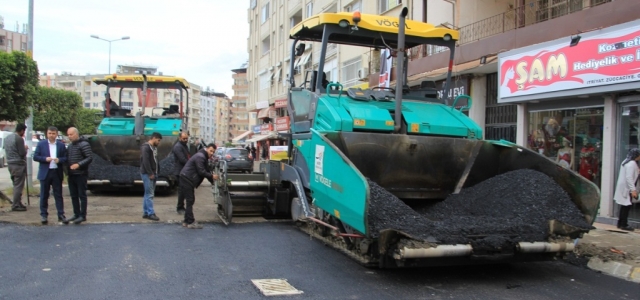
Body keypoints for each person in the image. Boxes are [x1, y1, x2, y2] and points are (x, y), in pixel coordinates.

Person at [33, 126, 68, 225]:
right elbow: (35, 156)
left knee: (58, 195)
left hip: (56, 172)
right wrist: (45, 159)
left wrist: (59, 160)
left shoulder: (61, 145)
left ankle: (61, 214)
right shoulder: (41, 144)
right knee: (44, 194)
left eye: (53, 134)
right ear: (46, 134)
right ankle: (44, 215)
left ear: (57, 134)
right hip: (45, 172)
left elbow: (65, 158)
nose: (51, 135)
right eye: (50, 133)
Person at [180, 143, 219, 229]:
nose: (212, 153)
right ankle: (190, 222)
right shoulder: (200, 157)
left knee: (190, 200)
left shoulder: (203, 156)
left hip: (186, 178)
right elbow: (202, 171)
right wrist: (212, 177)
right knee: (190, 200)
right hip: (187, 178)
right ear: (207, 149)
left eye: (213, 152)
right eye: (211, 151)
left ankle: (186, 221)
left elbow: (207, 170)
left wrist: (212, 181)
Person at [66, 127, 94, 224]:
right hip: (71, 174)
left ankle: (83, 215)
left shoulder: (84, 144)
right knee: (74, 195)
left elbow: (89, 158)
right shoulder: (70, 146)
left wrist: (79, 164)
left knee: (82, 195)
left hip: (81, 174)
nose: (69, 136)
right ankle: (76, 214)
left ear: (76, 134)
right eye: (68, 135)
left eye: (71, 134)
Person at [613, 148, 640, 231]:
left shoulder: (626, 161)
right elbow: (629, 178)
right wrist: (633, 190)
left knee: (624, 206)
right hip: (627, 188)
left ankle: (620, 223)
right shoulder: (631, 163)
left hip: (624, 187)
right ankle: (623, 224)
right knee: (626, 206)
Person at [5, 124, 28, 211]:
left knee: (15, 184)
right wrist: (25, 149)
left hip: (10, 164)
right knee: (18, 185)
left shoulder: (7, 138)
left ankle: (18, 202)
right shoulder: (19, 139)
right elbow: (22, 153)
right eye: (24, 131)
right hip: (18, 164)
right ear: (22, 130)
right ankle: (16, 205)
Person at [140, 132, 162, 221]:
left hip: (153, 173)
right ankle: (150, 213)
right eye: (158, 140)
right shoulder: (146, 147)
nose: (159, 142)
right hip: (147, 173)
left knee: (147, 194)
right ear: (154, 138)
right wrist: (150, 173)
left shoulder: (153, 148)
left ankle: (146, 212)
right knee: (150, 194)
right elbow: (145, 161)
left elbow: (155, 160)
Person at [172, 132, 190, 214]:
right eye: (184, 138)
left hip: (183, 171)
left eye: (186, 138)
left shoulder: (184, 146)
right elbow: (183, 159)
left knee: (183, 190)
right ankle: (180, 208)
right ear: (180, 138)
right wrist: (191, 164)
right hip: (180, 171)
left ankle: (181, 207)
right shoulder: (178, 147)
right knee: (181, 191)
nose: (185, 140)